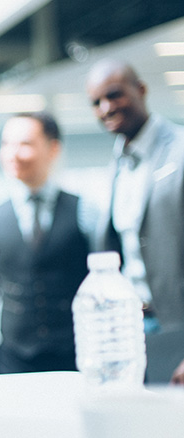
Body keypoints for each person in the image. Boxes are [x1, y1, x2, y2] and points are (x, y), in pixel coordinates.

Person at [85, 59, 184, 384]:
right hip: (132, 331)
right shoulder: (117, 165)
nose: (106, 108)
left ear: (141, 90)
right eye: (96, 102)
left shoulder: (179, 150)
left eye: (114, 95)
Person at [0, 112, 95, 375]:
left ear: (53, 149)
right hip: (12, 363)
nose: (12, 154)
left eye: (24, 144)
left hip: (77, 361)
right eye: (6, 144)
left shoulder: (85, 211)